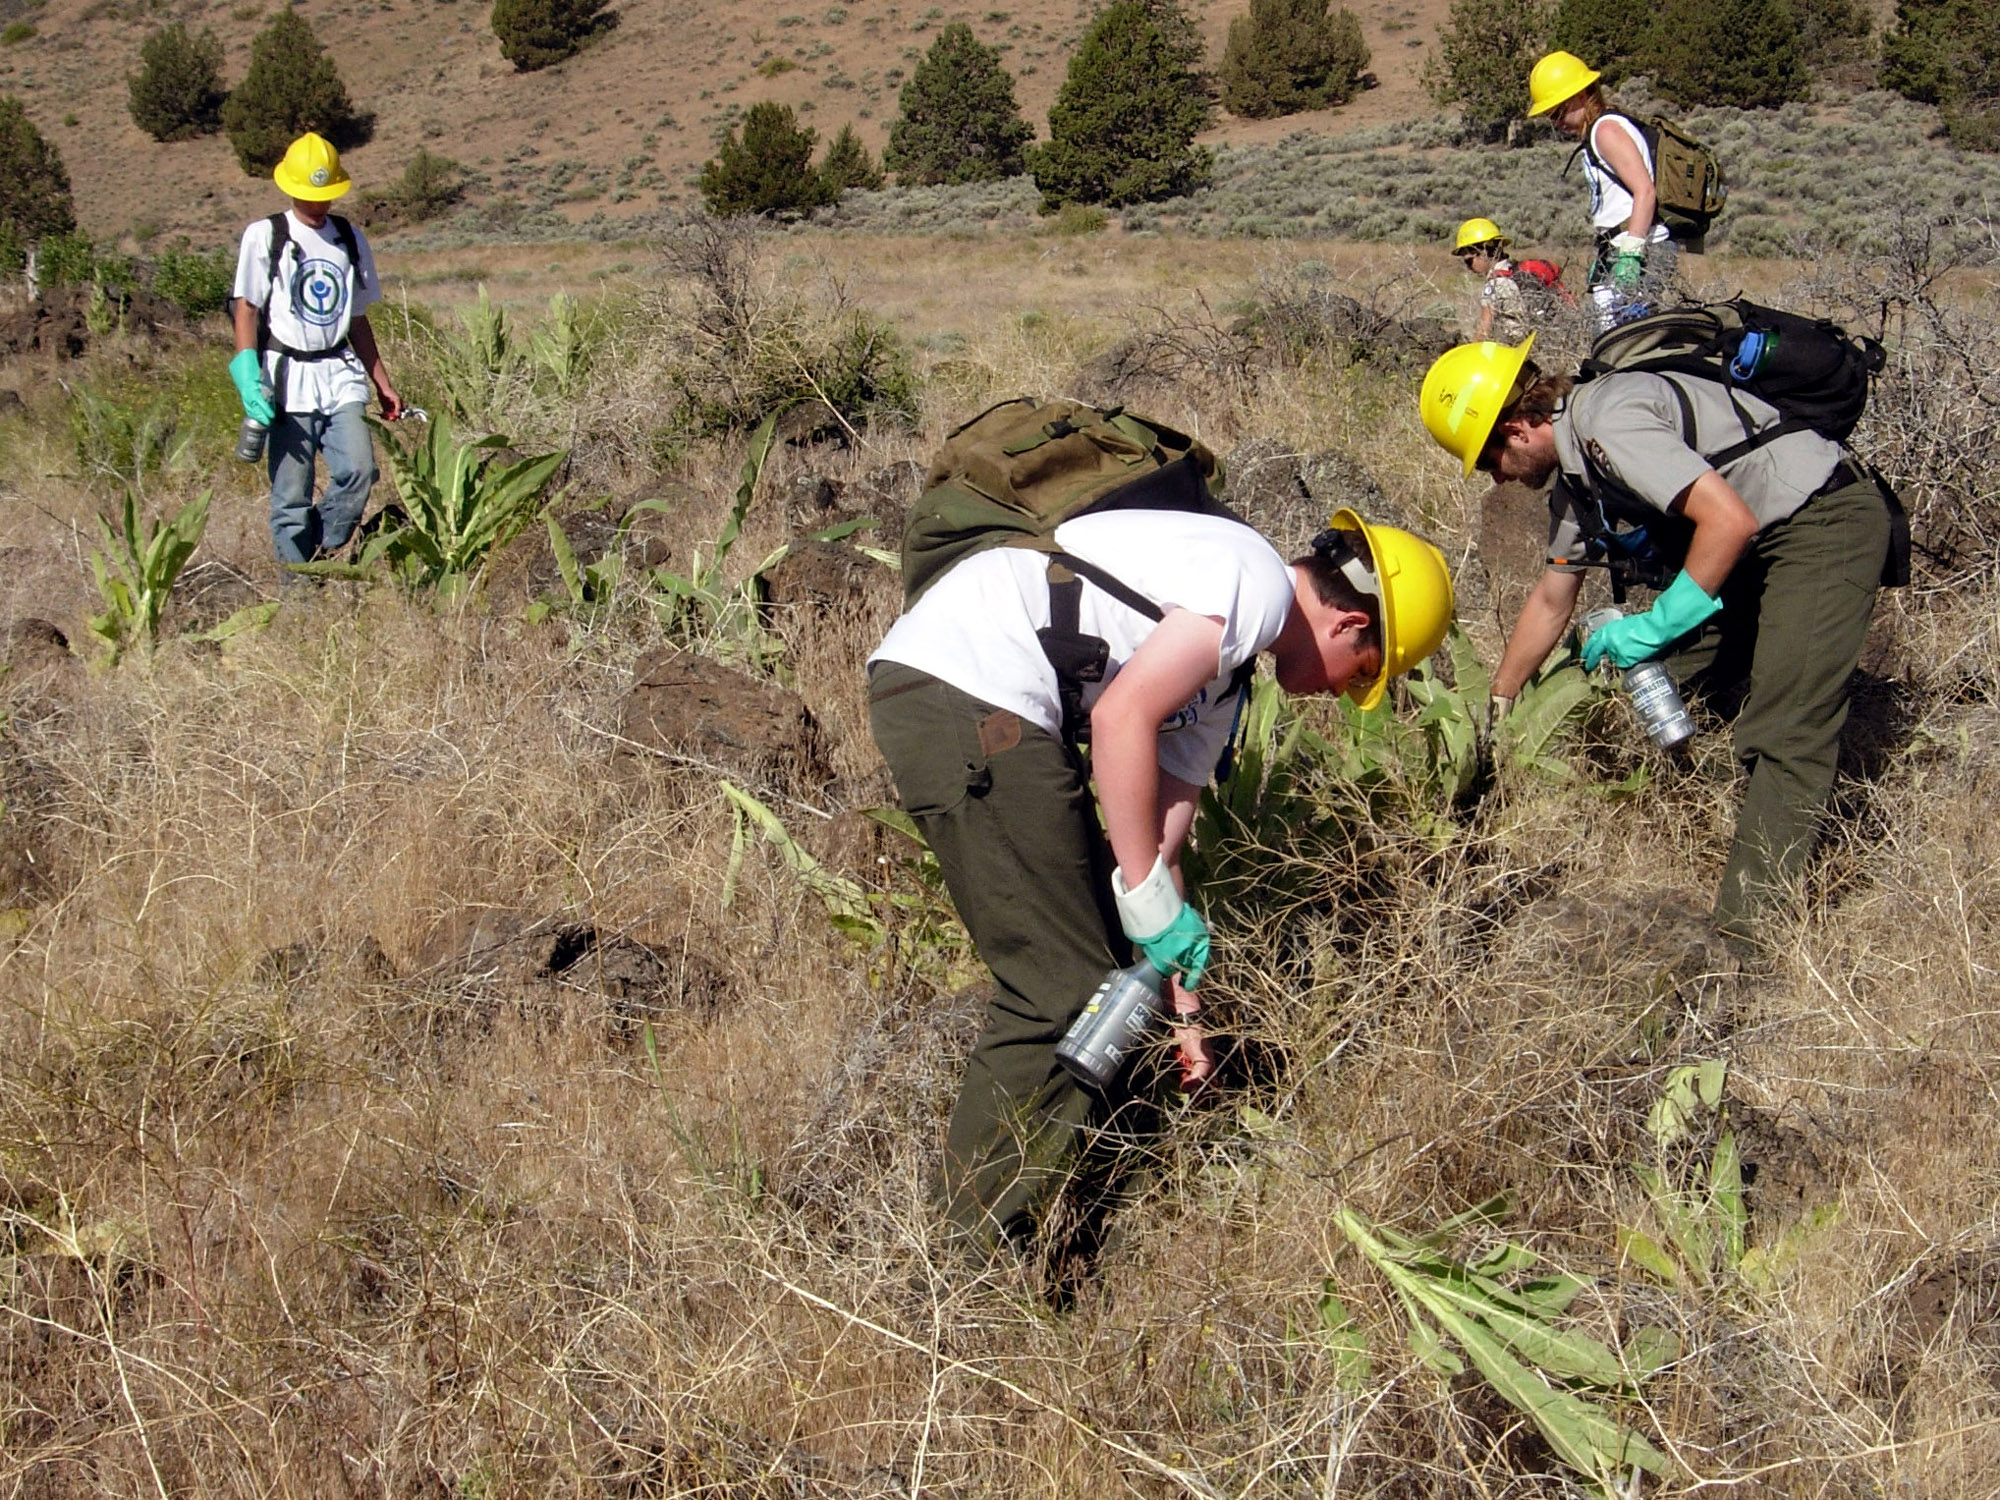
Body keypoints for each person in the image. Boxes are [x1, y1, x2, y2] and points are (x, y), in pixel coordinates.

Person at [867, 505, 1453, 1262]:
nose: (1347, 695)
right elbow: (1119, 722)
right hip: (968, 686)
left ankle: (1047, 1215)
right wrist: (1146, 903)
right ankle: (956, 1266)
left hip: (985, 700)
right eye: (1366, 675)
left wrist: (1181, 1004)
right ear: (1348, 626)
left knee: (1106, 977)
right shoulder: (1256, 585)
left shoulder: (1229, 681)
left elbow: (1156, 841)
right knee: (1058, 985)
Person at [1418, 336, 1892, 952]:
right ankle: (1717, 807)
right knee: (1667, 681)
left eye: (1488, 463)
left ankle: (1744, 941)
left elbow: (1730, 520)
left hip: (1820, 520)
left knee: (1787, 728)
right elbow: (1551, 598)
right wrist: (1500, 702)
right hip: (1752, 546)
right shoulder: (1576, 478)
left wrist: (1652, 626)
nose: (1498, 480)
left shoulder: (1608, 421)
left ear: (1515, 428)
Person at [230, 132, 403, 568]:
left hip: (339, 373)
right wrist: (248, 373)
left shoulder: (349, 237)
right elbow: (246, 308)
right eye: (309, 194)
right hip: (286, 378)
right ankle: (300, 590)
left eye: (325, 194)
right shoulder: (265, 235)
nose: (317, 203)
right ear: (289, 187)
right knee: (291, 494)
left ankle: (318, 555)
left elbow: (358, 318)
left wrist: (383, 384)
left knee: (359, 470)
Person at [1525, 51, 1677, 331]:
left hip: (1642, 252)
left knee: (1628, 344)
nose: (1557, 123)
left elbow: (1645, 191)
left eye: (1558, 112)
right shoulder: (1601, 129)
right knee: (1608, 341)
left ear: (1581, 96)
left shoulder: (1606, 130)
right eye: (1550, 117)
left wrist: (1631, 254)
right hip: (1621, 251)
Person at [1452, 217, 1566, 343]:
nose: (1468, 266)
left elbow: (1484, 329)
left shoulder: (1495, 284)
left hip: (1518, 346)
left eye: (1469, 260)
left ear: (1483, 252)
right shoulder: (1517, 270)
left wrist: (1471, 353)